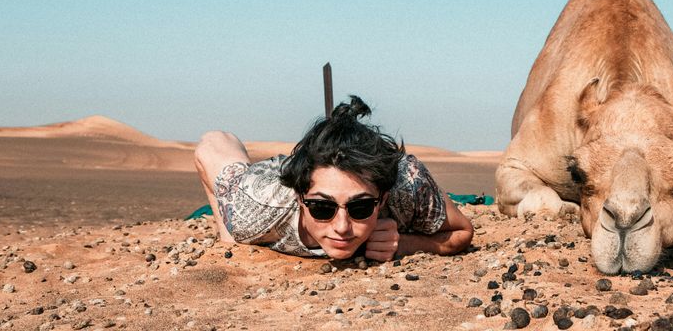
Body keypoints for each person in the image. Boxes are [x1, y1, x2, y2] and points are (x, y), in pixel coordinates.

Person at [193, 96, 474, 260]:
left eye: (360, 208)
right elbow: (210, 146)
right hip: (268, 186)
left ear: (383, 198)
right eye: (322, 208)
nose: (342, 228)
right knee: (235, 237)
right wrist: (228, 230)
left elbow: (463, 232)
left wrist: (405, 243)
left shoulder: (408, 185)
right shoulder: (256, 206)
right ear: (300, 198)